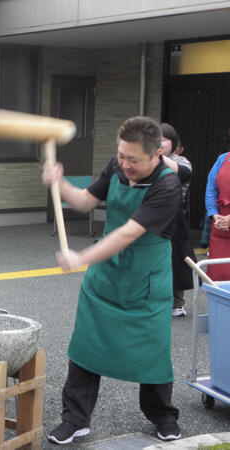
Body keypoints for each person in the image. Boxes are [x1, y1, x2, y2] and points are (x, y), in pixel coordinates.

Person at [43, 117, 182, 445]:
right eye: (121, 156)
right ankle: (75, 418)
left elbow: (128, 233)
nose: (124, 164)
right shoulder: (117, 166)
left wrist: (81, 258)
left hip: (146, 281)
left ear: (155, 155)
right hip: (106, 278)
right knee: (86, 347)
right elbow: (85, 201)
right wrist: (59, 184)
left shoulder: (167, 186)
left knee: (153, 352)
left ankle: (162, 415)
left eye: (133, 160)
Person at [160, 123, 196, 317]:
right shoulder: (147, 161)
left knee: (176, 260)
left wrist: (157, 156)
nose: (159, 142)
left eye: (164, 139)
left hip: (174, 218)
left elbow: (183, 174)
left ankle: (177, 303)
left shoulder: (180, 161)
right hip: (150, 218)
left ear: (173, 143)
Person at [205, 135, 230, 281]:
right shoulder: (222, 159)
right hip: (220, 225)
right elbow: (211, 189)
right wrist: (214, 213)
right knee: (217, 280)